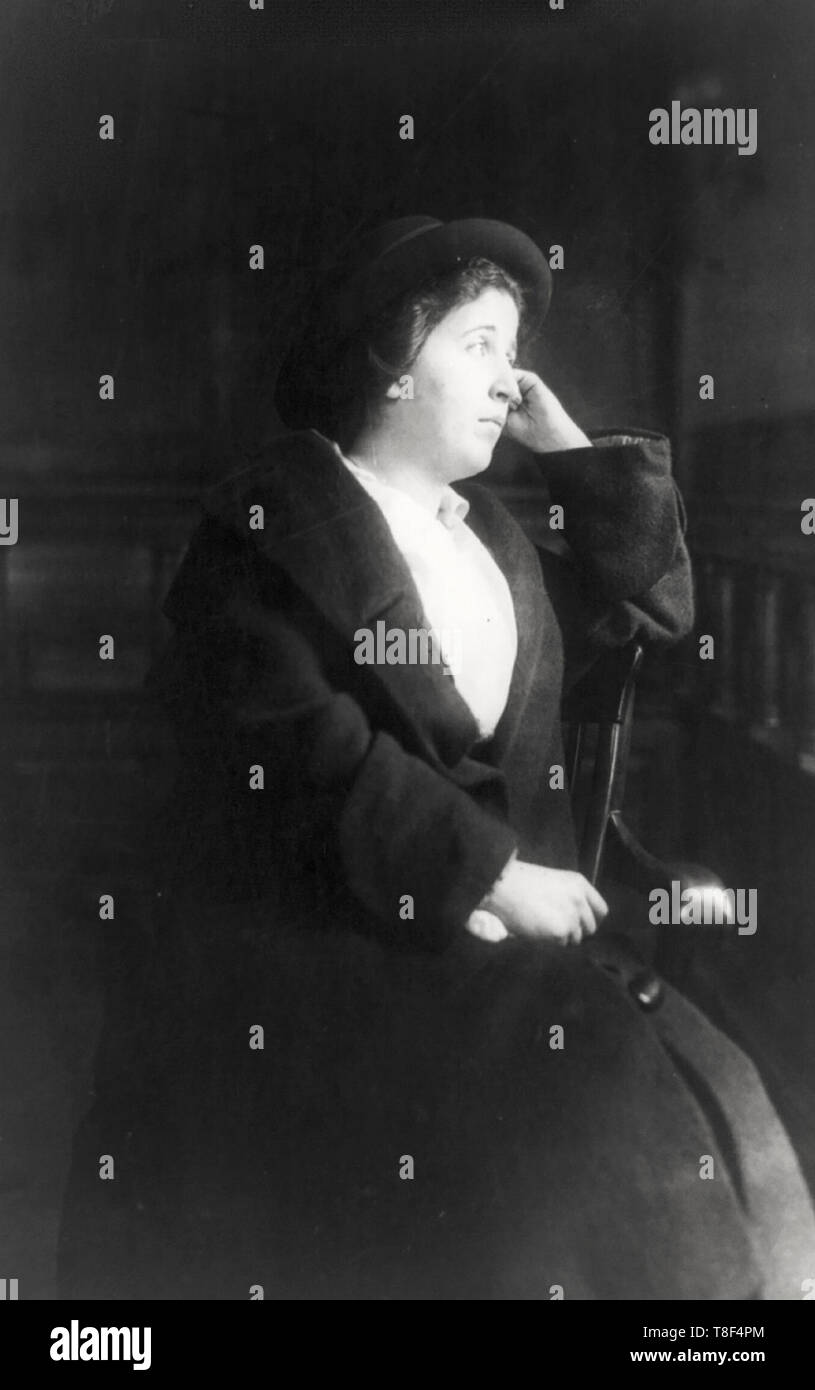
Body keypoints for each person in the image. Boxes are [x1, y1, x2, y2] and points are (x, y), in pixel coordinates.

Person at [58, 216, 815, 1301]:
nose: (508, 378)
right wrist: (489, 870)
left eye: (513, 352)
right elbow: (290, 743)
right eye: (477, 344)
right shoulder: (268, 530)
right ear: (386, 357)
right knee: (562, 1141)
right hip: (322, 938)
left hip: (500, 939)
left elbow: (655, 606)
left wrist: (571, 459)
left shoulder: (491, 544)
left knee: (715, 1100)